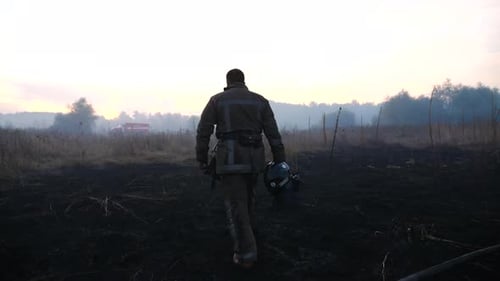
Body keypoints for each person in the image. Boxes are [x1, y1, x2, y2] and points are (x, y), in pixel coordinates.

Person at [196, 68, 286, 269]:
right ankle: (253, 241)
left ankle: (246, 255)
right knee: (248, 201)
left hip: (230, 162)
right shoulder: (260, 101)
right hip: (254, 162)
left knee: (237, 207)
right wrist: (280, 158)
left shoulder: (216, 100)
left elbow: (204, 131)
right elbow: (273, 132)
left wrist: (201, 158)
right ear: (244, 81)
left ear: (228, 82)